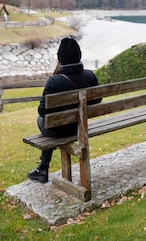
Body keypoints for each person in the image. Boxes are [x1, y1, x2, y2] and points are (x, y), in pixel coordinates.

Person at [27, 37, 101, 183]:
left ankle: (43, 168)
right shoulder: (90, 76)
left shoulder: (54, 81)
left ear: (60, 58)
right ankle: (42, 167)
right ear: (78, 55)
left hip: (59, 130)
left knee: (43, 121)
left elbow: (42, 111)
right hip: (81, 127)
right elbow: (97, 100)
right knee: (50, 122)